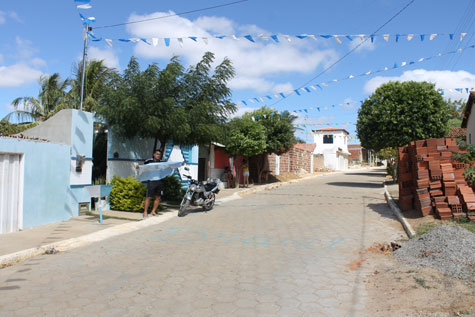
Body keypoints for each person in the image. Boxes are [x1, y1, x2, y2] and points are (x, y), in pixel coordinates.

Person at [140, 149, 164, 218]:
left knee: (158, 197)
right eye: (157, 154)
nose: (158, 156)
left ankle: (153, 211)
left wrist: (180, 163)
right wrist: (139, 167)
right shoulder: (149, 161)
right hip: (151, 181)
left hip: (159, 181)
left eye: (159, 154)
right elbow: (143, 167)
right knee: (148, 197)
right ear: (154, 154)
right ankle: (145, 212)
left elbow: (170, 165)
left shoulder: (162, 162)